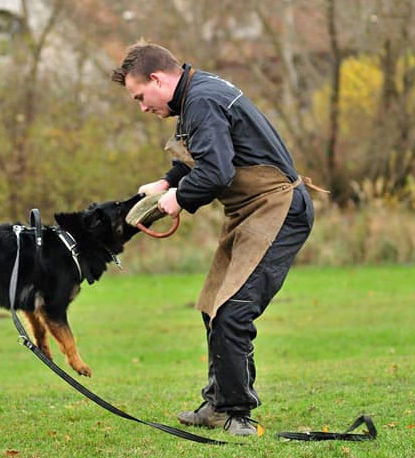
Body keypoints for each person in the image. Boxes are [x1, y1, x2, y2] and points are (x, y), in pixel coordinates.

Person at [111, 42, 320, 436]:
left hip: (276, 209)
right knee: (214, 305)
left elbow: (217, 173)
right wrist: (167, 181)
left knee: (233, 310)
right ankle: (218, 403)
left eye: (140, 96)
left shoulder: (202, 99)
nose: (141, 107)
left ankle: (237, 413)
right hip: (250, 211)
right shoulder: (195, 94)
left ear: (157, 78)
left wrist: (178, 199)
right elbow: (202, 153)